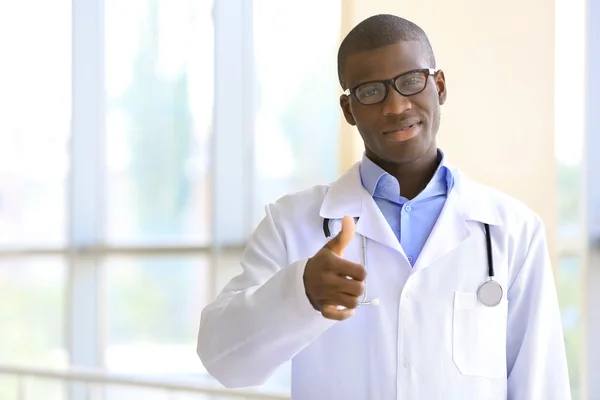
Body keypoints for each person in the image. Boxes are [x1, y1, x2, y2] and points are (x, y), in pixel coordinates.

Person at [197, 14, 571, 400]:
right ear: (348, 110)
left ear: (439, 86)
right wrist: (302, 292)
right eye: (371, 91)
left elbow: (541, 385)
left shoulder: (512, 230)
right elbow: (222, 361)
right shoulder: (291, 223)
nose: (396, 106)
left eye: (411, 81)